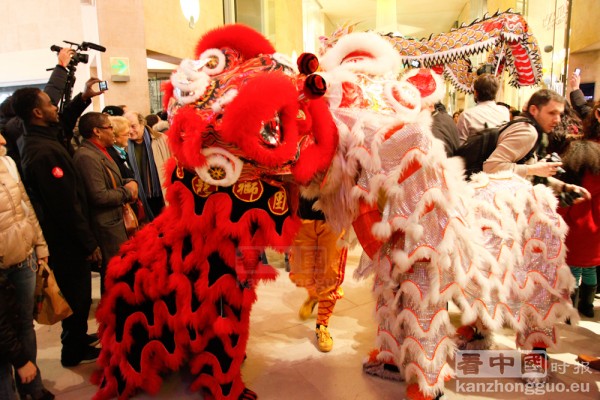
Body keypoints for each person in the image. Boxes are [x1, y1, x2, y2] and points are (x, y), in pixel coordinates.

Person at [12, 85, 102, 368]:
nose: (55, 108)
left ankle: (77, 337)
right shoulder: (44, 152)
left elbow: (62, 121)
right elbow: (66, 206)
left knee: (78, 293)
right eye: (50, 105)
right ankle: (72, 349)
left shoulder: (38, 136)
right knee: (77, 293)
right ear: (37, 112)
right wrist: (89, 243)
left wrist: (84, 98)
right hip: (65, 240)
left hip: (65, 236)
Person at [0, 133, 54, 400]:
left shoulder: (8, 163)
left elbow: (25, 206)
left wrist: (40, 246)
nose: (2, 138)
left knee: (25, 325)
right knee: (2, 333)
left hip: (24, 257)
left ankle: (32, 388)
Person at [73, 112, 139, 290]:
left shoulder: (102, 152)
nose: (113, 131)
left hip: (115, 223)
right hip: (107, 228)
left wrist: (129, 182)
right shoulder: (86, 156)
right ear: (97, 131)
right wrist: (127, 191)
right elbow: (98, 195)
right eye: (109, 127)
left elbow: (113, 181)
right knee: (115, 278)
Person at [557, 99, 600, 318]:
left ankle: (569, 308)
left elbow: (568, 200)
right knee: (590, 267)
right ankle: (588, 305)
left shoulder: (578, 166)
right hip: (595, 226)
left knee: (572, 266)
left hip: (576, 223)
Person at [289, 197, 347, 352]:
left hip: (334, 216)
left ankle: (322, 325)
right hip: (301, 212)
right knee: (301, 271)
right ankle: (314, 295)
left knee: (329, 274)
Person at [124, 111, 170, 220]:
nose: (130, 131)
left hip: (163, 193)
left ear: (142, 123)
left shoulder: (161, 139)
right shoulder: (124, 145)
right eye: (127, 127)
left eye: (133, 126)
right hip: (141, 196)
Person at [457, 73, 510, 144]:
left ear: (476, 93)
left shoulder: (466, 115)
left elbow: (460, 145)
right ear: (496, 93)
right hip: (500, 154)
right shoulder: (504, 111)